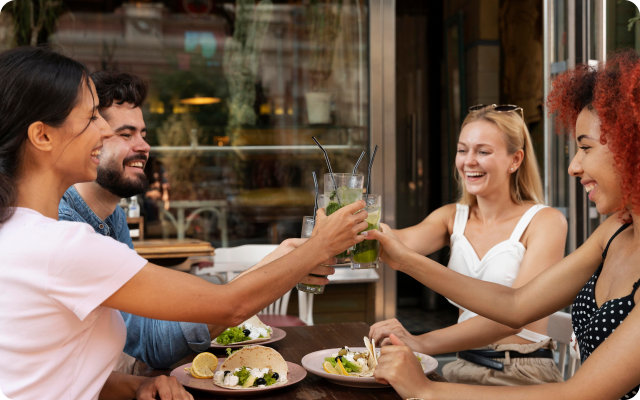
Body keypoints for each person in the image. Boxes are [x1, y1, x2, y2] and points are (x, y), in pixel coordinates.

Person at [0, 46, 368, 400]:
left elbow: (50, 371)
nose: (102, 131)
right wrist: (320, 246)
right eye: (91, 116)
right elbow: (228, 306)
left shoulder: (23, 230)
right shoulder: (62, 246)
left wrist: (134, 387)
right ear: (42, 136)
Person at [367, 49, 640, 399]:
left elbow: (579, 394)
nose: (573, 166)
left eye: (585, 148)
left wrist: (426, 390)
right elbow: (516, 306)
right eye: (462, 150)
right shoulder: (615, 230)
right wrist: (397, 256)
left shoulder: (548, 221)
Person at [58, 70, 332, 370]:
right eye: (126, 134)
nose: (144, 146)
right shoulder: (66, 227)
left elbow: (145, 325)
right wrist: (301, 258)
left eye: (143, 134)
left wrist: (281, 259)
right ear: (90, 142)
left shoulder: (113, 217)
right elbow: (153, 343)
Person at [369, 104, 566, 385]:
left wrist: (421, 342)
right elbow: (395, 241)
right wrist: (321, 238)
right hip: (462, 367)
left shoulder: (545, 222)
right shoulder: (451, 217)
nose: (469, 161)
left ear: (515, 159)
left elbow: (513, 317)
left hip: (521, 372)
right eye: (463, 150)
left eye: (483, 151)